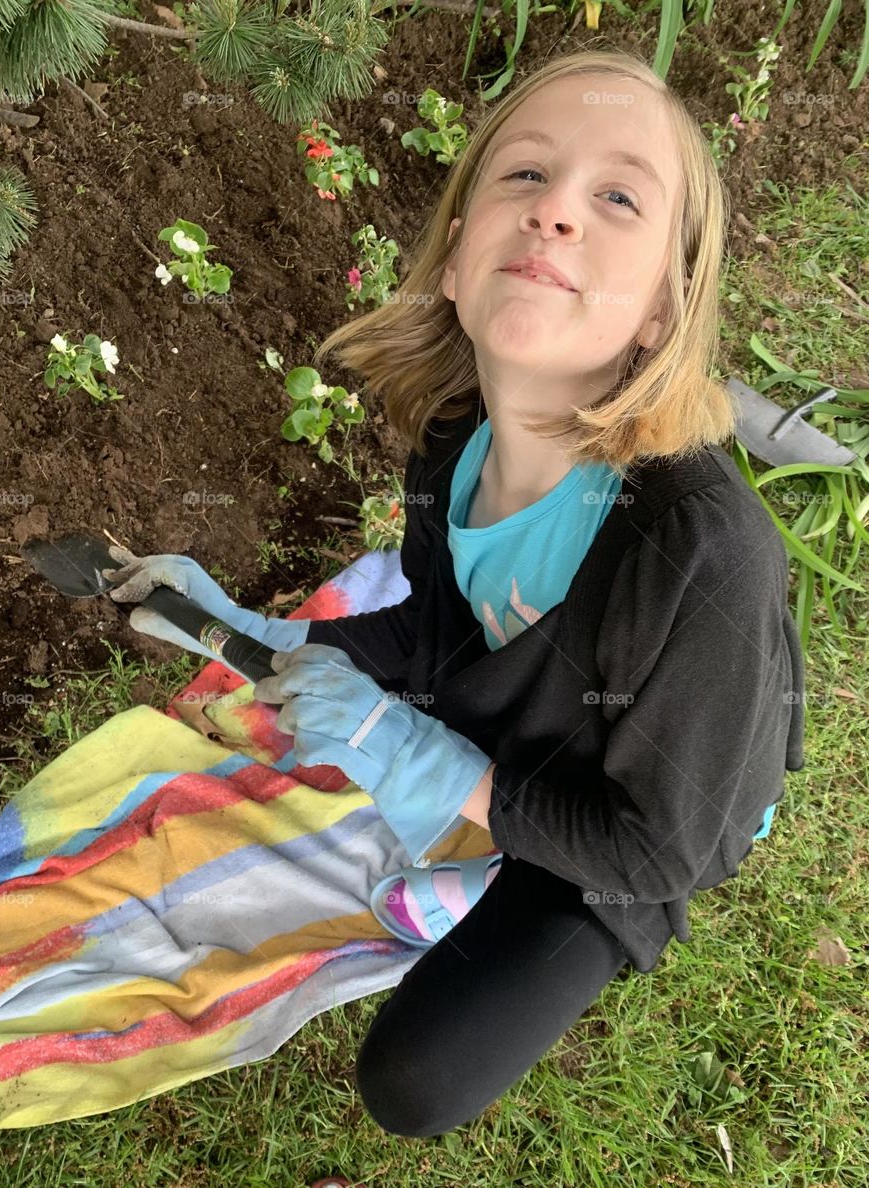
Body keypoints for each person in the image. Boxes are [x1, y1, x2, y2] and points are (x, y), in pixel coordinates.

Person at [104, 48, 805, 1139]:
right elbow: (440, 627)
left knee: (414, 1085)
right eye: (523, 176)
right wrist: (261, 634)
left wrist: (433, 766)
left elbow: (673, 849)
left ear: (665, 312)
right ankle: (484, 824)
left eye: (617, 197)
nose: (555, 212)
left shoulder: (701, 556)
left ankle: (493, 853)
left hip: (645, 809)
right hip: (532, 740)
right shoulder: (450, 436)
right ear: (452, 258)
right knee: (459, 745)